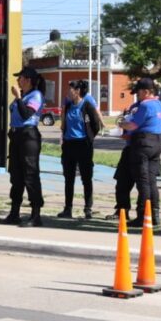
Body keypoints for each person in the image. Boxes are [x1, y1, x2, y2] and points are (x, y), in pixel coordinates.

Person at [121, 77, 161, 226]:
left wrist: (122, 124)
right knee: (152, 182)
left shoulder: (145, 106)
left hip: (142, 143)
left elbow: (133, 125)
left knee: (143, 182)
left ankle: (143, 215)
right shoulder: (159, 104)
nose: (137, 96)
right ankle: (155, 213)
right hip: (157, 143)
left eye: (138, 92)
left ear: (146, 92)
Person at [4, 67, 45, 227]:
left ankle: (36, 215)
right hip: (16, 136)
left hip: (28, 137)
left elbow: (26, 114)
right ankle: (14, 213)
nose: (17, 81)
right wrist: (19, 97)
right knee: (16, 175)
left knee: (30, 174)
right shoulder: (24, 95)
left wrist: (18, 97)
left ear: (28, 80)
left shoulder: (35, 95)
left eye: (20, 78)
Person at [58, 79, 103, 219]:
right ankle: (68, 208)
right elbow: (63, 124)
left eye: (70, 90)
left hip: (83, 145)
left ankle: (88, 208)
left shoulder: (87, 105)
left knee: (86, 178)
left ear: (77, 91)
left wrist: (89, 137)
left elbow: (95, 125)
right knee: (68, 178)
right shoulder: (69, 105)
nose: (68, 92)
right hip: (69, 145)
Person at [109, 93, 140, 220]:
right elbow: (127, 125)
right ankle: (122, 211)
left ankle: (144, 213)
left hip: (141, 149)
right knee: (122, 181)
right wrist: (124, 131)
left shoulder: (149, 106)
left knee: (142, 184)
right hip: (128, 148)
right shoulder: (134, 106)